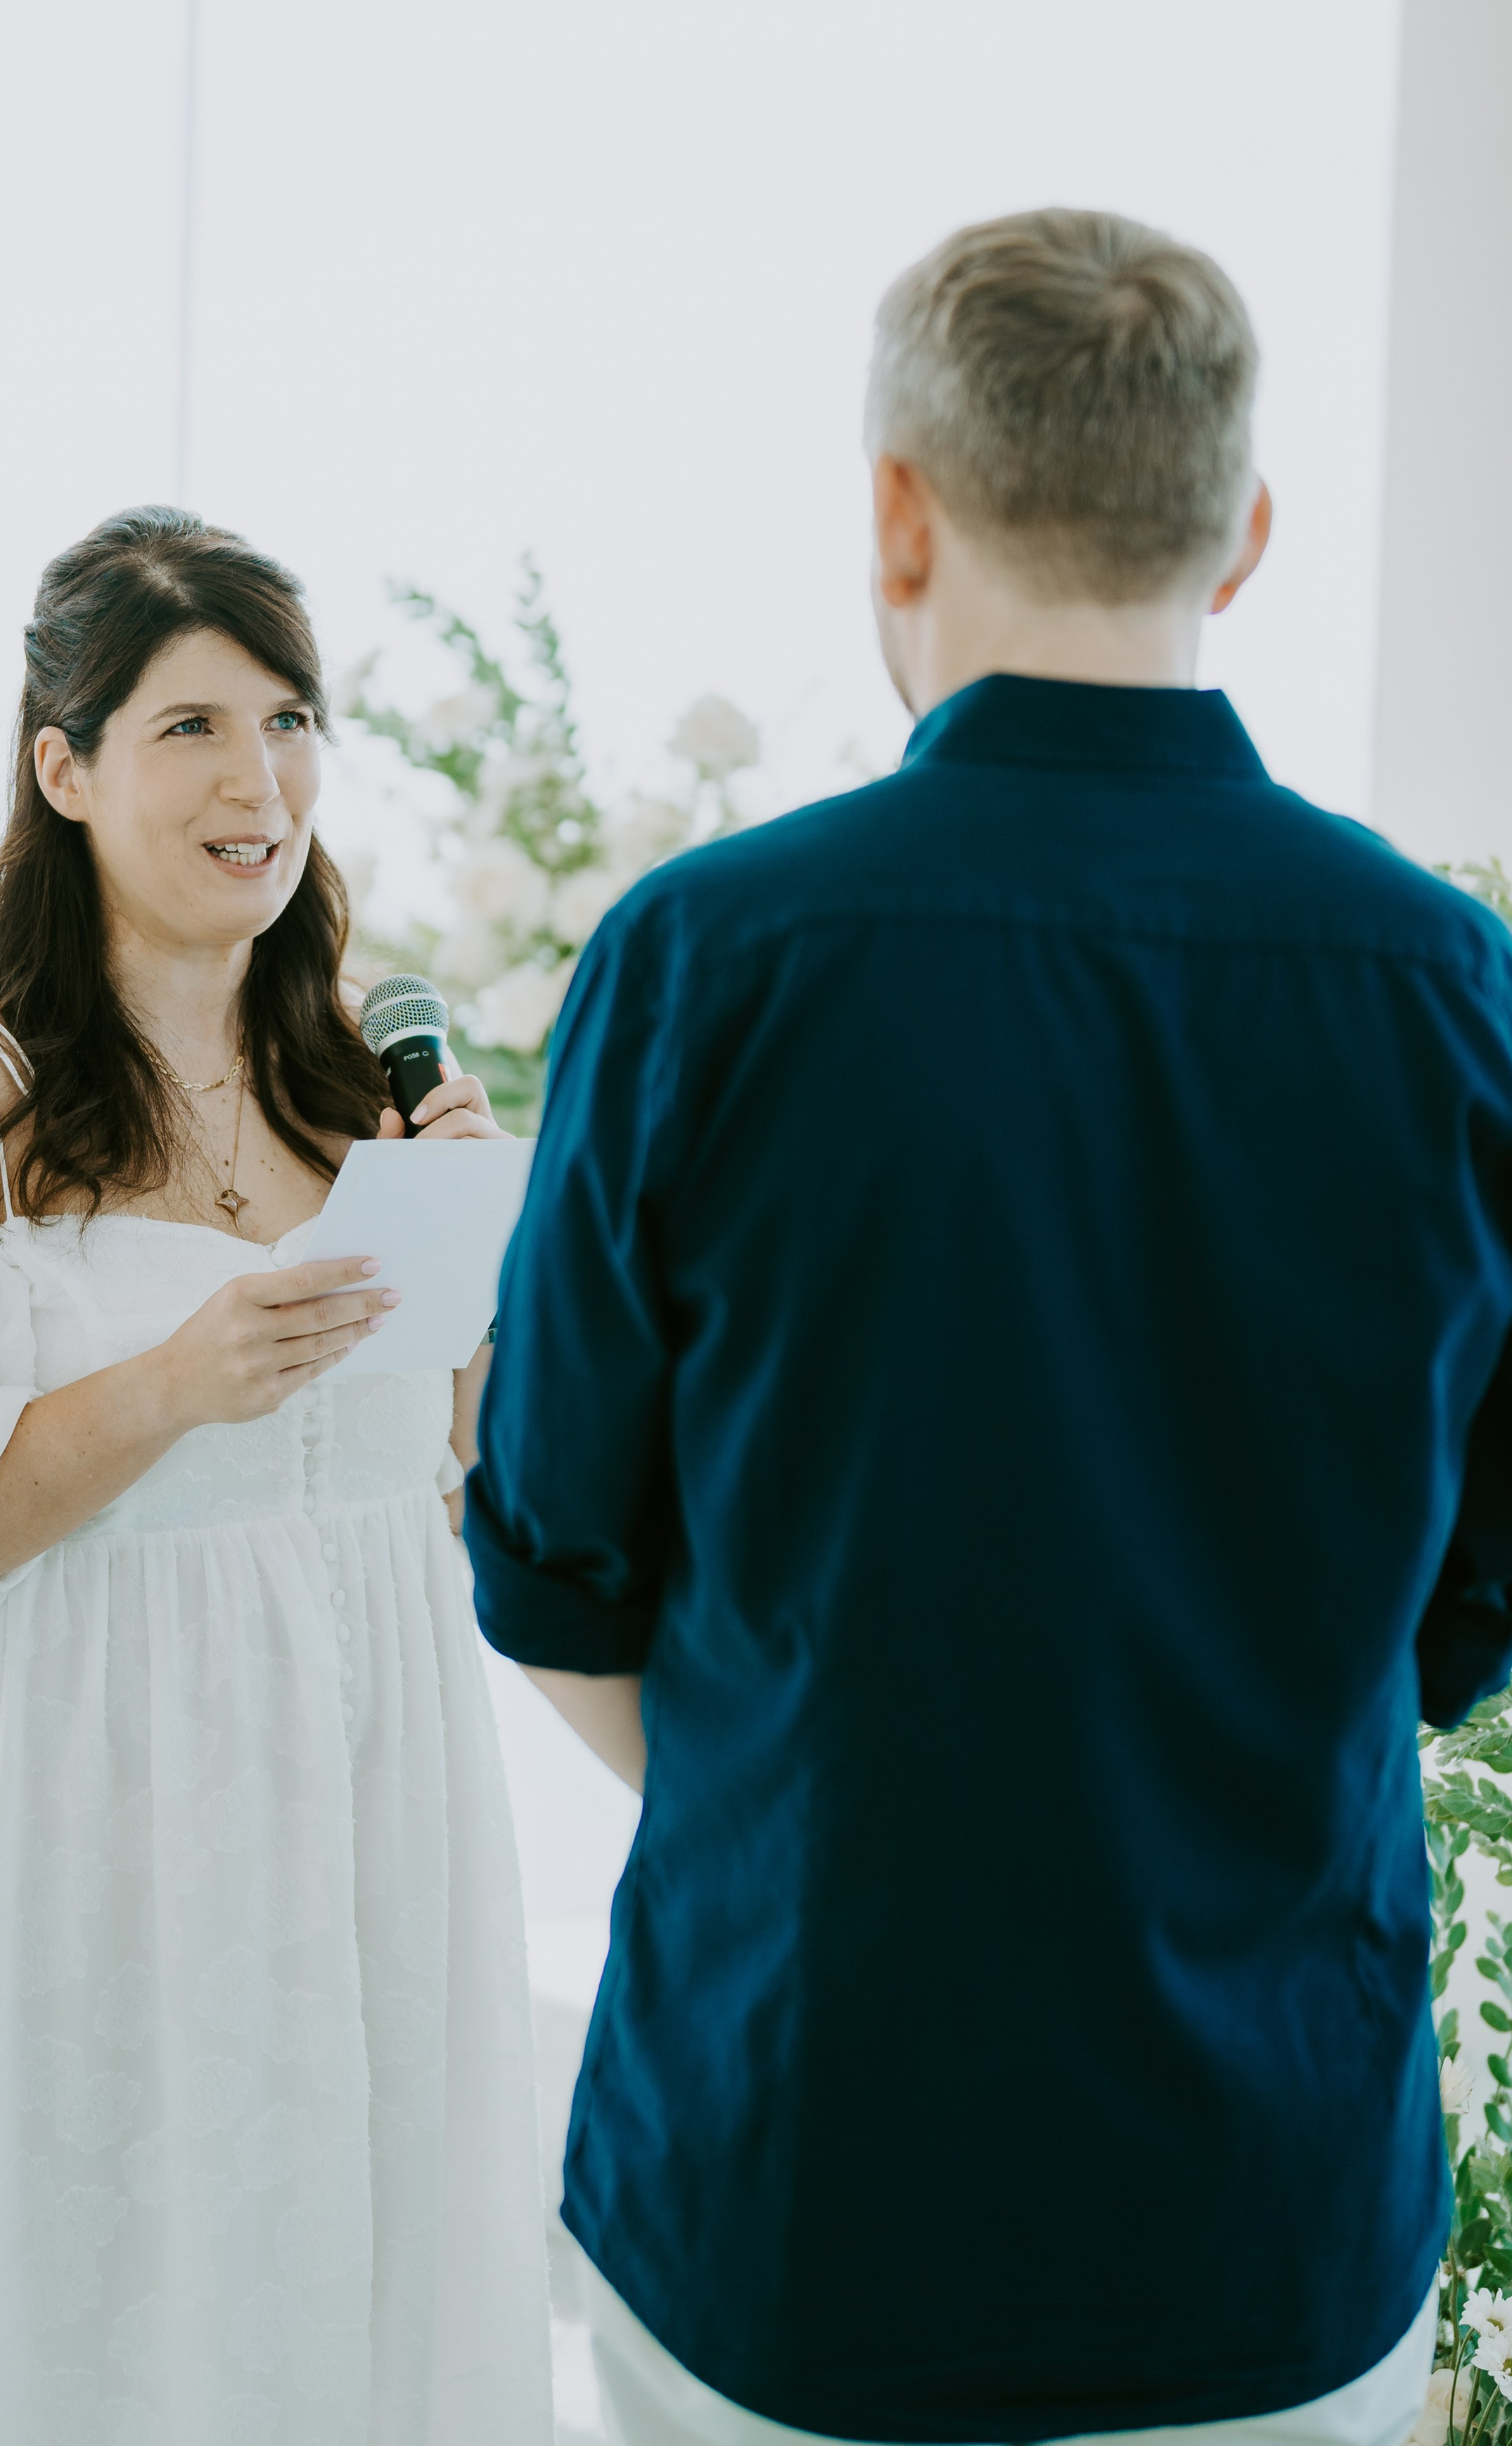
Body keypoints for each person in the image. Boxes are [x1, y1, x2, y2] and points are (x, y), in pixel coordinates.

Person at [464, 210, 1512, 2446]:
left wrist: (836, 1792)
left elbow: (553, 1568)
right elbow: (1476, 1597)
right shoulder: (1452, 995)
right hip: (1265, 2214)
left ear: (897, 510)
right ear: (1242, 532)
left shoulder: (701, 965)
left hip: (794, 2183)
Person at [0, 509, 553, 2443]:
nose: (259, 779)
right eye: (190, 727)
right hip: (80, 1813)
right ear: (64, 766)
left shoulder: (353, 1072)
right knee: (90, 2325)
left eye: (290, 719)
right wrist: (163, 1391)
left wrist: (483, 1284)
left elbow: (434, 1481)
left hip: (364, 1799)